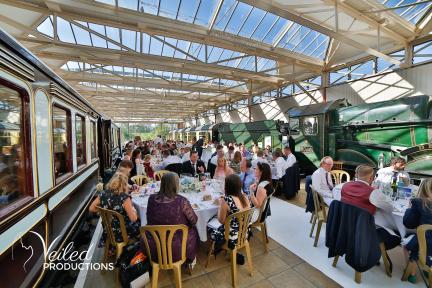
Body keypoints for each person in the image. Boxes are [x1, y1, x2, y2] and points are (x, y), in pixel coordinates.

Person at [333, 165, 399, 258]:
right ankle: (372, 252)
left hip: (344, 226)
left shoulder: (345, 186)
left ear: (357, 174)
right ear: (371, 178)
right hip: (363, 230)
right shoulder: (373, 192)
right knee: (396, 236)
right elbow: (390, 208)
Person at [146, 173, 199, 266]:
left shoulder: (151, 198)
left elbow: (148, 219)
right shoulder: (181, 201)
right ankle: (190, 260)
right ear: (176, 184)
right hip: (177, 247)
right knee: (194, 229)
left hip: (154, 244)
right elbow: (194, 221)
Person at [207, 174, 251, 264]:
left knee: (209, 225)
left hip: (231, 237)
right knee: (226, 223)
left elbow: (221, 221)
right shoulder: (245, 197)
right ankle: (232, 253)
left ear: (227, 186)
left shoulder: (226, 200)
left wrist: (220, 205)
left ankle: (216, 248)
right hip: (244, 233)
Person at [89, 172, 140, 242]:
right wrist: (134, 210)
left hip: (108, 231)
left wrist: (105, 210)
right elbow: (133, 219)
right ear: (124, 184)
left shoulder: (103, 193)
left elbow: (91, 208)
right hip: (122, 232)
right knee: (141, 223)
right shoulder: (124, 197)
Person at [402, 178, 432, 283]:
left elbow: (408, 223)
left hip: (426, 243)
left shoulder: (419, 203)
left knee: (406, 243)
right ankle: (428, 266)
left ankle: (412, 273)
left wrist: (409, 209)